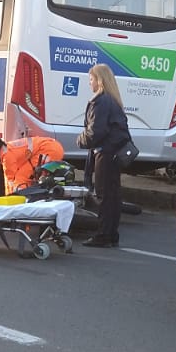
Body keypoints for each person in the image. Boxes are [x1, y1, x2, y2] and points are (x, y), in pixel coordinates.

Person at [78, 62, 132, 247]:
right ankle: (111, 234)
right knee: (113, 196)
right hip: (115, 154)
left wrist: (80, 140)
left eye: (91, 79)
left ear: (99, 80)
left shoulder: (100, 101)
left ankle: (103, 235)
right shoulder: (113, 100)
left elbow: (96, 132)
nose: (89, 83)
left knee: (104, 196)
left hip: (105, 154)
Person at [0, 133, 67, 197]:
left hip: (49, 149)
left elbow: (10, 181)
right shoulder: (6, 150)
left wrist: (9, 199)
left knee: (21, 179)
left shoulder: (6, 156)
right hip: (51, 147)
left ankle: (21, 203)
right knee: (26, 177)